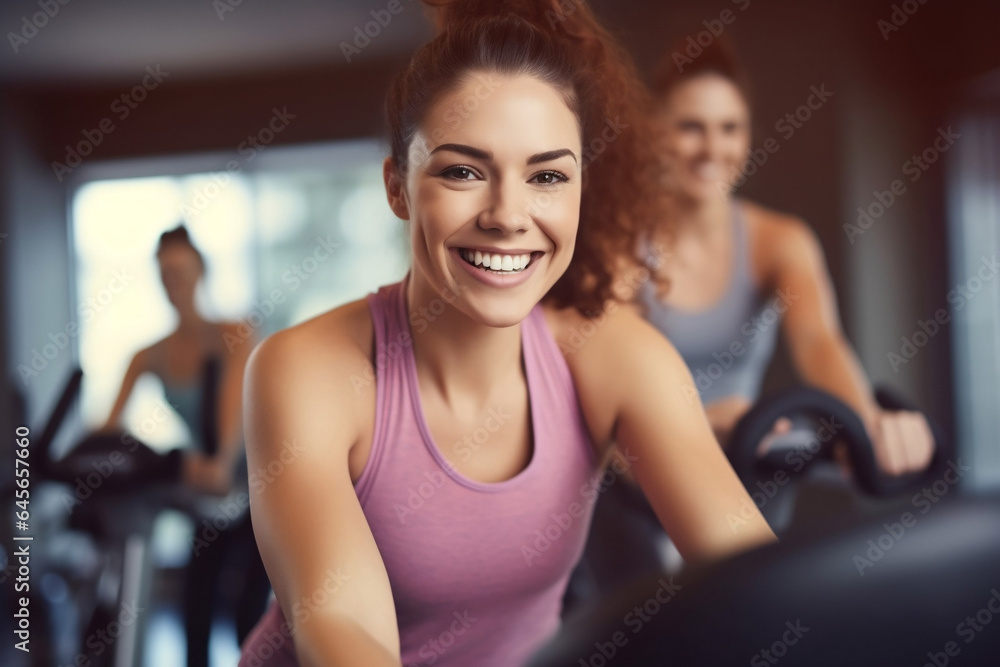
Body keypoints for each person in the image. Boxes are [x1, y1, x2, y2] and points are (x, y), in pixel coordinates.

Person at [237, 2, 775, 666]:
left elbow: (762, 585)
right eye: (463, 171)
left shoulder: (616, 357)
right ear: (398, 187)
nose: (507, 215)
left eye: (547, 176)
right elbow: (346, 629)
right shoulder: (306, 369)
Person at [635, 37, 936, 473]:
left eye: (730, 128)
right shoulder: (619, 246)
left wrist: (866, 423)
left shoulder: (779, 240)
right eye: (690, 127)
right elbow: (607, 385)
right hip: (645, 472)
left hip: (750, 458)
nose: (712, 149)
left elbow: (818, 341)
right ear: (654, 132)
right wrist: (692, 427)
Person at [98, 225, 270, 667]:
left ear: (200, 272)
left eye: (180, 270)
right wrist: (97, 462)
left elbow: (230, 429)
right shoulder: (148, 354)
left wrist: (214, 465)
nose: (172, 282)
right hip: (205, 490)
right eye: (163, 273)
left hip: (263, 482)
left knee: (248, 613)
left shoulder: (234, 332)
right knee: (195, 605)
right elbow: (107, 430)